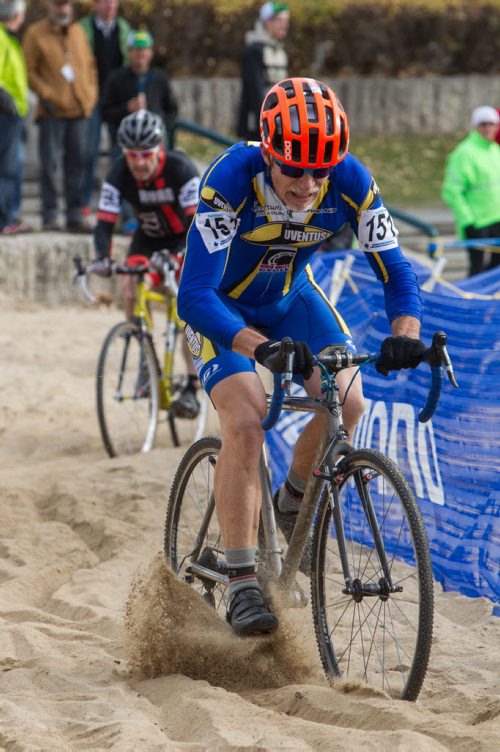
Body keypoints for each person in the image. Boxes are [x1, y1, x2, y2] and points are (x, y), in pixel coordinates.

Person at [178, 77, 425, 637]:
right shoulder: (231, 179)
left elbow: (396, 269)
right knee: (245, 420)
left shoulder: (351, 180)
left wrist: (405, 331)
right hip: (221, 309)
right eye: (294, 170)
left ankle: (291, 500)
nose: (308, 184)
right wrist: (256, 346)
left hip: (291, 298)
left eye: (321, 171)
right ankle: (241, 579)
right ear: (268, 154)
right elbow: (192, 295)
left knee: (350, 398)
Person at [89, 109, 201, 418]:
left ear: (159, 149)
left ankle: (192, 385)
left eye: (145, 154)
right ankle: (144, 354)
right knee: (130, 281)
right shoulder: (118, 172)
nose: (138, 162)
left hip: (185, 241)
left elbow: (198, 224)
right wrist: (101, 258)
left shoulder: (181, 169)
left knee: (187, 311)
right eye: (131, 154)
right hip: (148, 240)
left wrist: (178, 254)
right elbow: (103, 222)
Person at [23, 0, 97, 232]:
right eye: (57, 5)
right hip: (52, 111)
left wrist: (90, 95)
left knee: (77, 164)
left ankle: (75, 214)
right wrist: (48, 94)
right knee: (50, 164)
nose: (62, 9)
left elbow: (89, 67)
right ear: (49, 6)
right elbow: (29, 70)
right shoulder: (36, 33)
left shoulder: (78, 32)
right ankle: (50, 214)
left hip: (79, 110)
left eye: (65, 5)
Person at [101, 29, 178, 234]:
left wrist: (161, 125)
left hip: (155, 141)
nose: (140, 55)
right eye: (135, 50)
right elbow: (105, 110)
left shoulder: (159, 78)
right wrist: (127, 109)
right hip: (126, 141)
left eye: (143, 50)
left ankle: (160, 217)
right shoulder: (117, 78)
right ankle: (129, 220)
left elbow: (172, 108)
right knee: (126, 178)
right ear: (129, 52)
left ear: (150, 53)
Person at [80, 0, 131, 216]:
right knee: (87, 152)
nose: (109, 6)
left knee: (119, 153)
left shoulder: (124, 28)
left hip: (116, 102)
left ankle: (119, 204)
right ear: (95, 5)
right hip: (91, 98)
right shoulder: (84, 28)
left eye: (113, 2)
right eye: (104, 2)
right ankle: (83, 201)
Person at [441, 105, 500, 277]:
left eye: (492, 124)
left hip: (497, 219)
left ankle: (489, 299)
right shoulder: (464, 153)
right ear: (476, 126)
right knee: (477, 267)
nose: (488, 128)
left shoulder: (495, 150)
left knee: (496, 269)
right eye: (483, 124)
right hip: (477, 222)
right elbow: (452, 191)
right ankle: (472, 300)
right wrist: (468, 220)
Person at [236, 1, 289, 141]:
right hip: (257, 124)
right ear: (266, 23)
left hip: (276, 121)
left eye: (286, 20)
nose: (284, 25)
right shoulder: (255, 51)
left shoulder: (280, 52)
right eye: (279, 20)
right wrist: (267, 121)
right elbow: (255, 92)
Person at [0, 0, 31, 235]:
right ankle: (4, 219)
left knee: (14, 166)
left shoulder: (9, 38)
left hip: (15, 113)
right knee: (7, 168)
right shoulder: (1, 37)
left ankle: (10, 215)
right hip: (5, 112)